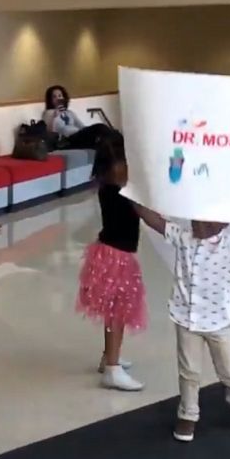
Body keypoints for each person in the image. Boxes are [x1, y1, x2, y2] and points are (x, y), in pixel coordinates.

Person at [136, 198, 230, 442]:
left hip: (218, 323)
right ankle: (188, 413)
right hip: (186, 318)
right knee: (189, 371)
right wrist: (134, 194)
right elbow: (155, 221)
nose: (197, 224)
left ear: (222, 224)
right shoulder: (183, 237)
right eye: (195, 218)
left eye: (205, 221)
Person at [75, 131, 147, 391]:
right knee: (117, 313)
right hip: (116, 256)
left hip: (112, 253)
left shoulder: (109, 184)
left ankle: (109, 358)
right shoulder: (123, 190)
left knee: (115, 311)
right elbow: (147, 213)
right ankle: (113, 368)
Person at [43, 85, 113, 150]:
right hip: (67, 139)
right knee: (100, 127)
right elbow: (48, 132)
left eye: (60, 96)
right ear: (50, 100)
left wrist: (90, 131)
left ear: (64, 97)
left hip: (78, 136)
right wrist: (54, 117)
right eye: (54, 96)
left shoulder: (70, 112)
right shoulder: (48, 113)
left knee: (101, 136)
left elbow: (82, 127)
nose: (58, 98)